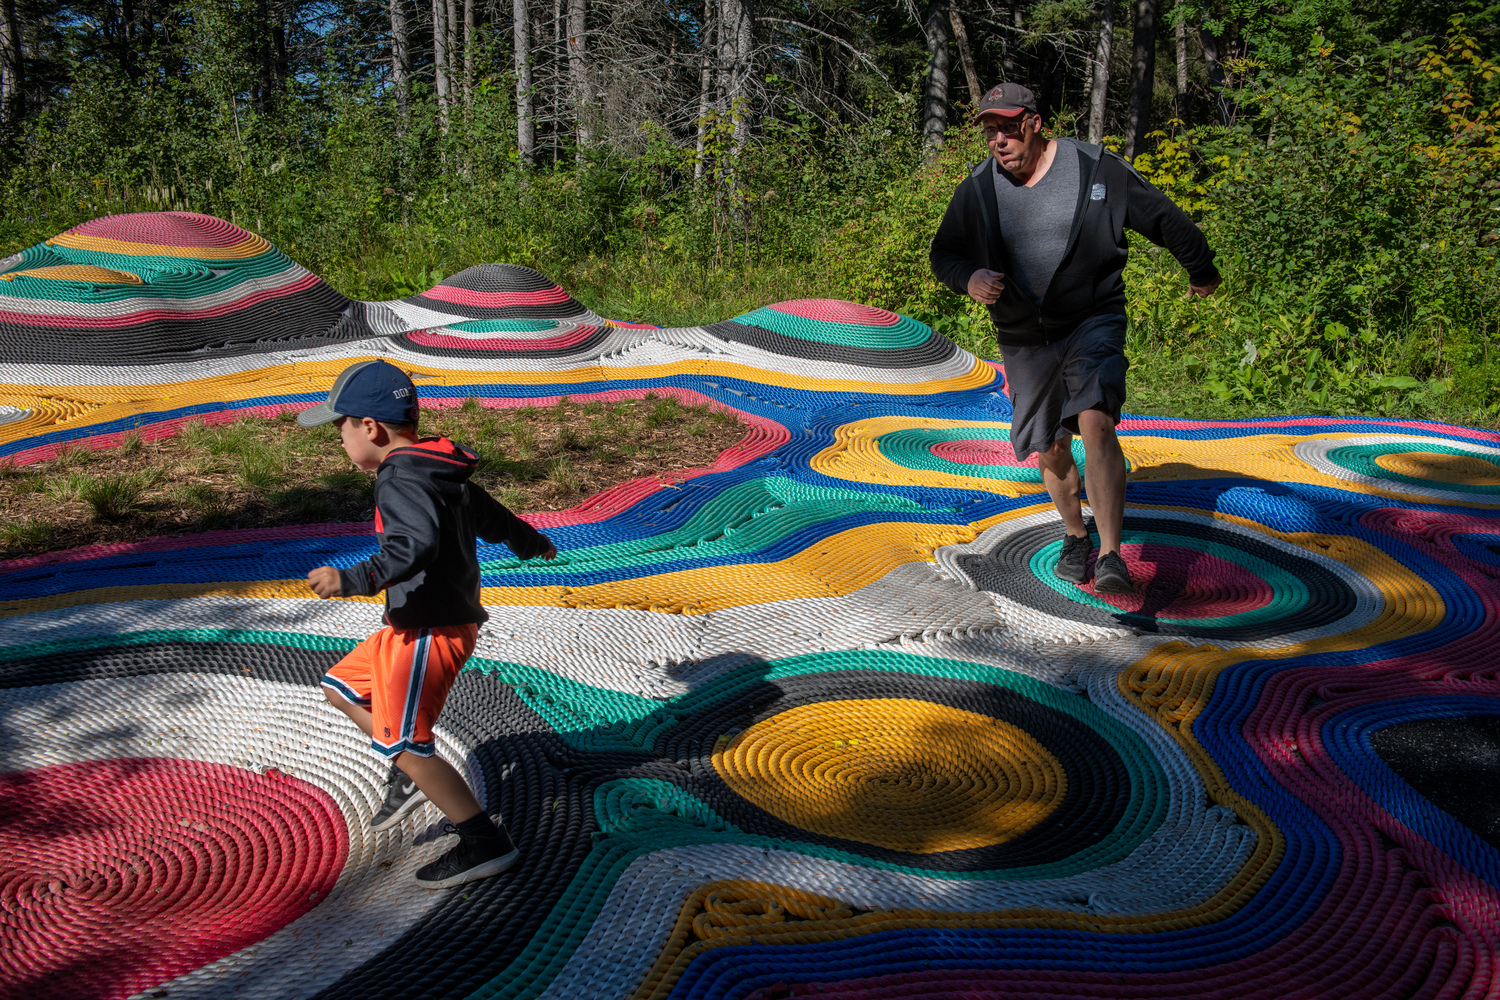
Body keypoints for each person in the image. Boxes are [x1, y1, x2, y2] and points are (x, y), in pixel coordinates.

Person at [929, 82, 1220, 594]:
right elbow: (944, 254)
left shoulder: (1095, 169)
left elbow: (1163, 216)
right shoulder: (977, 188)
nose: (999, 140)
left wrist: (1201, 268)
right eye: (990, 131)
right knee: (1051, 445)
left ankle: (1111, 554)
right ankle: (1074, 535)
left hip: (1093, 318)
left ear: (1035, 123)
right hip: (1024, 335)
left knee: (1096, 419)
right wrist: (968, 278)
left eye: (1008, 127)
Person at [299, 359, 558, 888]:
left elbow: (412, 546)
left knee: (407, 744)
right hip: (414, 625)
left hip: (428, 630)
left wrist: (353, 578)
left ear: (368, 428)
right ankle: (410, 769)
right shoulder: (435, 467)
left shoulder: (399, 479)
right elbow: (491, 516)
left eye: (339, 428)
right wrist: (530, 540)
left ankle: (484, 841)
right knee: (342, 688)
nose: (340, 441)